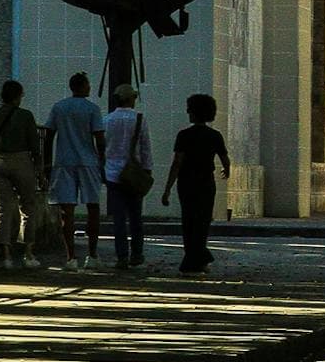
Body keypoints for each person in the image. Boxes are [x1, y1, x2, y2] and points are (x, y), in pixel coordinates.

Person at [0, 80, 52, 269]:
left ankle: (6, 256)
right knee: (28, 207)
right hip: (22, 161)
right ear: (17, 96)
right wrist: (40, 172)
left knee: (2, 208)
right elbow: (34, 146)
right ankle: (28, 254)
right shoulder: (25, 116)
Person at [162, 93, 232, 273]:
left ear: (193, 112)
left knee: (188, 220)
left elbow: (177, 162)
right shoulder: (215, 136)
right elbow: (225, 159)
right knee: (203, 221)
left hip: (186, 182)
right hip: (206, 182)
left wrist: (167, 188)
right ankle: (199, 257)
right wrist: (227, 170)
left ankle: (193, 257)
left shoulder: (183, 135)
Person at [44, 72, 107, 268]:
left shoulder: (59, 107)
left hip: (64, 161)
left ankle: (70, 257)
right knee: (92, 207)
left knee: (66, 211)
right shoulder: (92, 109)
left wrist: (47, 163)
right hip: (88, 161)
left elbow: (48, 136)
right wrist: (102, 160)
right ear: (83, 86)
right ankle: (92, 255)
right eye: (88, 84)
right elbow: (99, 138)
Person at [103, 85, 153, 271]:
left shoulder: (106, 120)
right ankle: (137, 254)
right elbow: (145, 147)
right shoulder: (139, 119)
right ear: (131, 99)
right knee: (135, 217)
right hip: (133, 174)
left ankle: (121, 256)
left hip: (112, 174)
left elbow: (102, 147)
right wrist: (147, 170)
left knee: (118, 219)